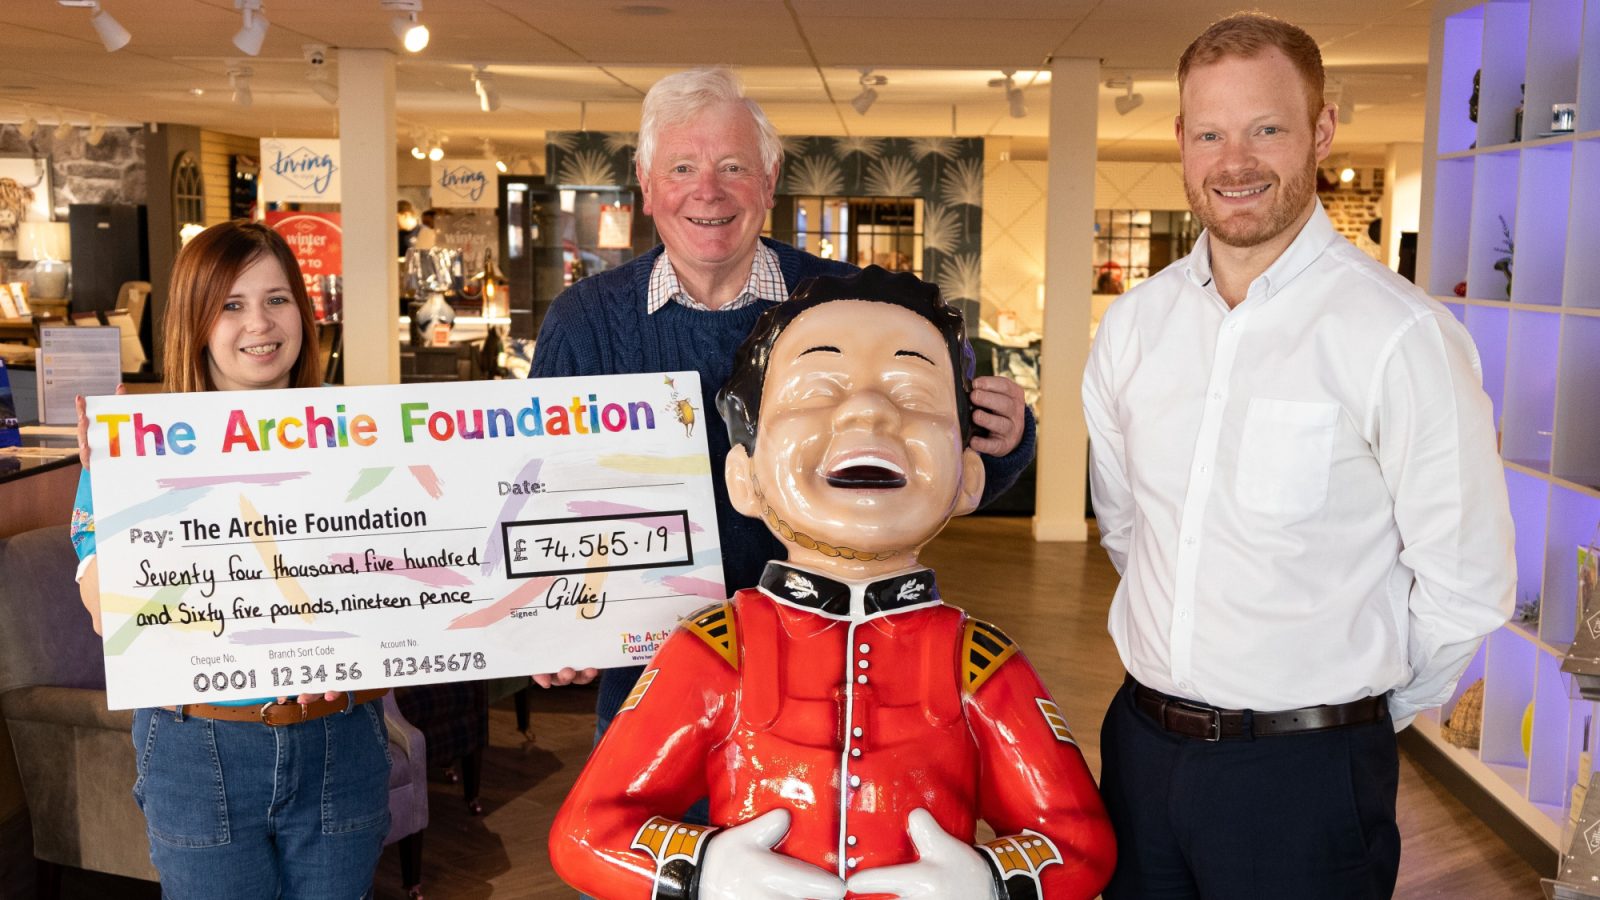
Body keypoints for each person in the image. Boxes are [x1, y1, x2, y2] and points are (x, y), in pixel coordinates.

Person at [1082, 13, 1515, 899]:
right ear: (1181, 140)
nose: (1234, 161)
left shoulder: (1400, 336)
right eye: (1210, 133)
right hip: (1139, 753)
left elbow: (1466, 580)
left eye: (1266, 129)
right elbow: (1130, 531)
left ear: (1321, 130)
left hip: (1305, 780)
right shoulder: (1134, 327)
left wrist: (1354, 716)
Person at [550, 266, 1115, 900]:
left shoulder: (977, 664)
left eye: (913, 395)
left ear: (968, 479)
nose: (869, 410)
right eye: (818, 391)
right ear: (744, 478)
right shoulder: (717, 652)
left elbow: (1079, 840)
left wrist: (988, 881)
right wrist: (703, 871)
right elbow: (587, 831)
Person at [529, 65, 1035, 729]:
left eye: (733, 167)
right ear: (647, 186)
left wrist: (1005, 438)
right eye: (681, 168)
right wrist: (552, 622)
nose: (707, 190)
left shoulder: (857, 305)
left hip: (836, 681)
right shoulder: (584, 321)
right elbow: (541, 496)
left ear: (769, 182)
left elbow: (936, 467)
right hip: (650, 690)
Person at [72, 221, 394, 900]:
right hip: (198, 748)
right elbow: (108, 614)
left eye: (277, 299)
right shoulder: (137, 446)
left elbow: (408, 584)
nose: (260, 324)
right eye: (231, 305)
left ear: (303, 313)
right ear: (195, 322)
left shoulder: (367, 436)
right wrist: (119, 487)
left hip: (339, 739)